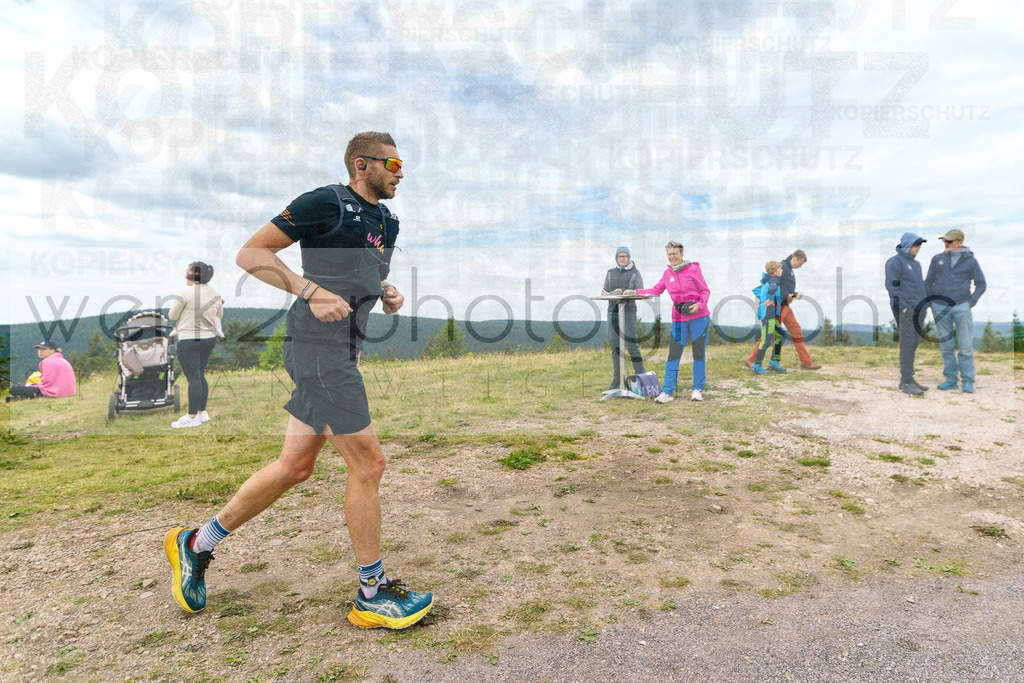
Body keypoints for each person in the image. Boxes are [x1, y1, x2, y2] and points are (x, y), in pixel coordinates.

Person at [164, 131, 433, 630]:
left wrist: (385, 289)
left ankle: (196, 543)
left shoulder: (386, 219)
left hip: (341, 352)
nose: (401, 171)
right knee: (370, 464)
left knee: (294, 468)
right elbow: (252, 254)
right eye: (393, 162)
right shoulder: (324, 202)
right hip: (316, 349)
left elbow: (360, 276)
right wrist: (308, 289)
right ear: (362, 164)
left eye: (403, 164)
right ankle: (371, 594)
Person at [625, 241, 711, 403]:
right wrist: (636, 291)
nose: (672, 257)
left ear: (682, 254)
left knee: (698, 354)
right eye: (669, 254)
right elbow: (655, 290)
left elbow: (705, 291)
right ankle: (667, 392)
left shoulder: (694, 269)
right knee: (673, 355)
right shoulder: (667, 273)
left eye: (675, 254)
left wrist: (699, 306)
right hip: (679, 319)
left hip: (699, 317)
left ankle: (697, 389)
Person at [925, 229, 986, 394]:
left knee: (965, 346)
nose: (946, 244)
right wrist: (931, 302)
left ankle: (967, 381)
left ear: (960, 241)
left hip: (961, 307)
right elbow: (928, 282)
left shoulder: (970, 261)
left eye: (949, 241)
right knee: (946, 346)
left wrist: (970, 303)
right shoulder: (937, 259)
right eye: (944, 241)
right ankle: (951, 379)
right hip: (939, 307)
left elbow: (981, 284)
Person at [167, 262, 223, 428]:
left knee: (193, 378)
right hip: (209, 339)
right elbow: (219, 314)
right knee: (200, 374)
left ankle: (191, 418)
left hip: (189, 340)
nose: (185, 276)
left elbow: (172, 315)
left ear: (193, 276)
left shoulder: (185, 293)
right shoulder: (215, 294)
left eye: (187, 273)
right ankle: (201, 413)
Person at [744, 250, 821, 371]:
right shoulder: (782, 268)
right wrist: (787, 295)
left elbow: (782, 287)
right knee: (771, 334)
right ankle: (752, 360)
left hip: (785, 306)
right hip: (778, 307)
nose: (800, 267)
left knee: (796, 331)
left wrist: (792, 294)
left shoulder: (787, 268)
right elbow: (772, 285)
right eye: (800, 263)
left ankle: (805, 362)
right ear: (794, 258)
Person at [884, 232, 929, 396]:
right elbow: (892, 286)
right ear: (907, 244)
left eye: (920, 245)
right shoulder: (894, 262)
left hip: (920, 309)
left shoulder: (916, 265)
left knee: (914, 343)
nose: (918, 248)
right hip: (905, 309)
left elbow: (920, 286)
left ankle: (910, 378)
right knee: (908, 342)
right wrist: (902, 306)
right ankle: (905, 382)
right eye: (916, 244)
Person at [601, 246, 645, 390]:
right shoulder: (610, 272)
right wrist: (613, 292)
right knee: (615, 347)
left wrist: (630, 292)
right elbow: (604, 292)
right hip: (613, 311)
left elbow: (641, 292)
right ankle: (617, 382)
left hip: (629, 311)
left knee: (632, 345)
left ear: (629, 257)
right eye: (619, 256)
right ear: (616, 258)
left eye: (624, 256)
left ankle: (642, 379)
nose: (622, 259)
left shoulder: (635, 273)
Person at [5, 340, 76, 401]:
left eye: (44, 349)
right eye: (39, 349)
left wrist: (35, 386)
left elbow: (47, 381)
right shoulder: (62, 360)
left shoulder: (46, 361)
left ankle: (19, 398)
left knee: (14, 389)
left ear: (52, 350)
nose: (40, 351)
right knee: (29, 389)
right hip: (67, 392)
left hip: (54, 393)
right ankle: (18, 399)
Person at [749, 261, 784, 375]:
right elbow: (772, 289)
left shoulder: (768, 280)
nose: (782, 270)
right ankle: (756, 365)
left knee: (781, 336)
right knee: (766, 340)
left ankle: (773, 362)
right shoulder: (773, 280)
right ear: (775, 270)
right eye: (780, 268)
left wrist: (765, 299)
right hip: (768, 315)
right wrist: (768, 299)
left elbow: (757, 290)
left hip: (770, 315)